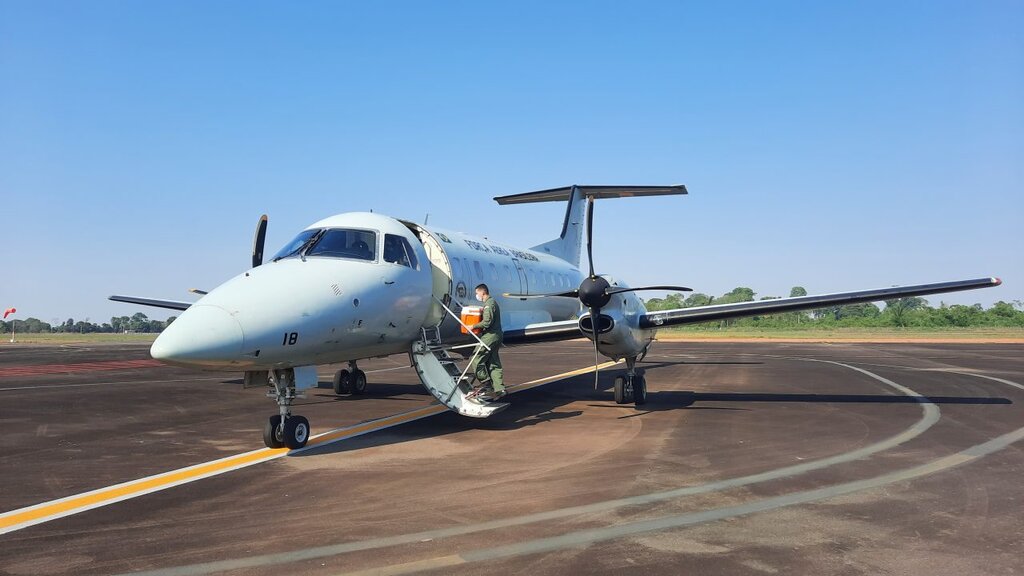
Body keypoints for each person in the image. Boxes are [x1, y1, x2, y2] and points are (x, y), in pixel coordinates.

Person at [466, 283, 505, 402]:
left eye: (477, 293)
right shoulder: (491, 303)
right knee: (493, 363)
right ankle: (499, 389)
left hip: (490, 336)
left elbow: (487, 322)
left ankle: (486, 383)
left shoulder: (489, 305)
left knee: (476, 359)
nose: (476, 295)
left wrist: (473, 326)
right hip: (497, 335)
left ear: (483, 292)